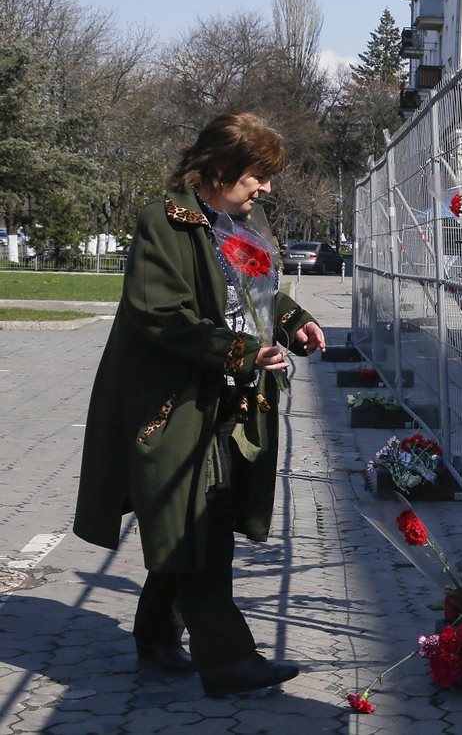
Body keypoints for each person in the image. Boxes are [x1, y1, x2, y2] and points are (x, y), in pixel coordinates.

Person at [73, 112, 327, 698]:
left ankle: (156, 632)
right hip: (177, 405)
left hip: (235, 402)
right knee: (200, 526)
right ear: (217, 168)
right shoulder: (163, 224)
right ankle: (229, 661)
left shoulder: (244, 221)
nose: (265, 189)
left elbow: (259, 293)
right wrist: (239, 351)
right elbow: (158, 314)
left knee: (202, 517)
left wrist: (295, 321)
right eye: (255, 176)